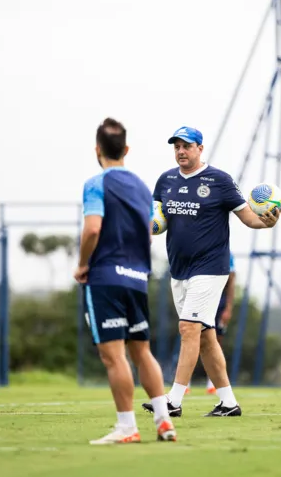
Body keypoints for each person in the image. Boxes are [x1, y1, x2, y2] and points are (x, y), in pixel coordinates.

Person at [142, 126, 281, 418]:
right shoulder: (165, 181)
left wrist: (266, 223)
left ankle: (174, 400)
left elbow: (249, 219)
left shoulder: (219, 181)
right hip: (179, 270)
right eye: (177, 146)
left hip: (211, 267)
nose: (181, 151)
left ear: (200, 149)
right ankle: (229, 403)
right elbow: (156, 219)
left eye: (187, 146)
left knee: (188, 328)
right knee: (205, 336)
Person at [74, 119, 177, 444]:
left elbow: (92, 229)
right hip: (136, 279)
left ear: (97, 149)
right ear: (126, 149)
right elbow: (147, 233)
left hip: (105, 277)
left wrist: (82, 265)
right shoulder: (142, 187)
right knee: (142, 352)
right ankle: (163, 420)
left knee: (114, 356)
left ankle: (127, 427)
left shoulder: (95, 183)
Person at [206, 251, 235, 395]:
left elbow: (231, 280)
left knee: (217, 340)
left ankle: (213, 382)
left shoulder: (228, 254)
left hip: (220, 302)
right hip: (203, 298)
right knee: (192, 337)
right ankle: (184, 383)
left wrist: (228, 307)